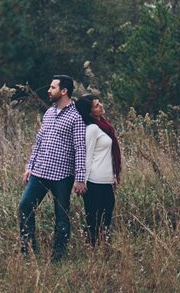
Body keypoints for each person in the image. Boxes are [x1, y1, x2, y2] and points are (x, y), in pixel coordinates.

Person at [18, 75, 87, 261]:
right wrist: (29, 166)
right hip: (40, 172)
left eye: (52, 87)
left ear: (64, 91)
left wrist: (80, 178)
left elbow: (80, 148)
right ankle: (29, 252)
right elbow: (38, 142)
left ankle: (58, 257)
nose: (49, 90)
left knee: (62, 217)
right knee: (25, 207)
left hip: (62, 176)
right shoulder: (49, 112)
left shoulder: (76, 117)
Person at [75, 93, 122, 248]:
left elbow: (109, 155)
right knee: (94, 219)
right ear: (89, 112)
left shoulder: (105, 127)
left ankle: (105, 247)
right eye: (96, 105)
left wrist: (114, 175)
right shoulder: (92, 129)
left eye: (99, 103)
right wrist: (81, 180)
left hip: (106, 180)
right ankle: (94, 249)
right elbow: (86, 156)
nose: (101, 105)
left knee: (107, 216)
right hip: (94, 181)